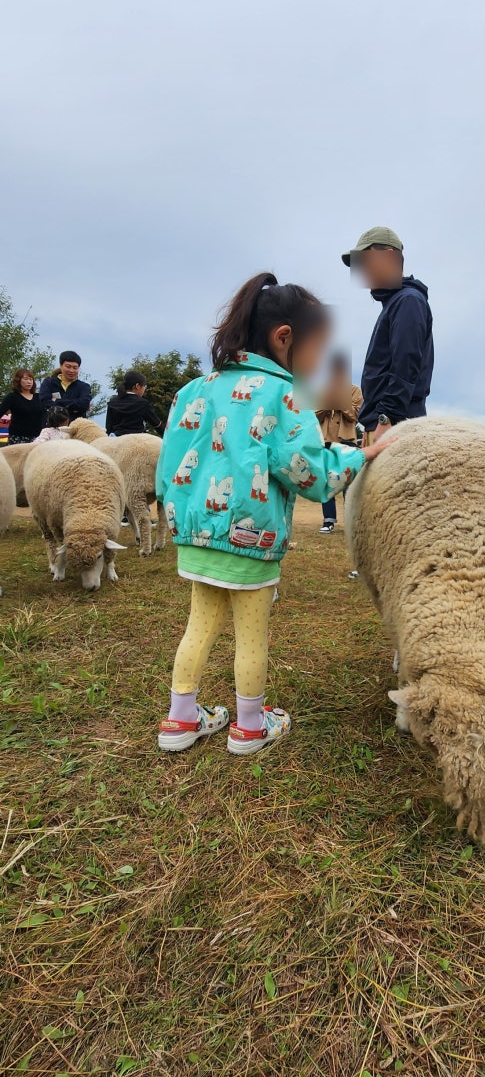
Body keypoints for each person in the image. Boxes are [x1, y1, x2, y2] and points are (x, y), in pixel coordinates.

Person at [155, 271, 394, 756]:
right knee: (251, 633)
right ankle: (249, 725)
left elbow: (167, 464)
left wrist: (179, 510)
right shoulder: (287, 397)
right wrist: (356, 457)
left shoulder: (195, 390)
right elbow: (309, 473)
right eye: (316, 349)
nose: (317, 363)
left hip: (196, 536)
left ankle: (180, 721)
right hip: (252, 540)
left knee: (198, 626)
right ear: (285, 338)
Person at [342, 226, 434, 442]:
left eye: (365, 260)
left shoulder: (408, 301)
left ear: (389, 256)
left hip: (396, 426)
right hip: (384, 423)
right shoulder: (396, 304)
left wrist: (386, 418)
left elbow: (405, 365)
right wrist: (371, 421)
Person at [315, 353, 363, 532]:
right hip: (325, 441)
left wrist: (341, 401)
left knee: (349, 483)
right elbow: (312, 414)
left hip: (347, 442)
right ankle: (328, 521)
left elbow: (356, 415)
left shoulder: (355, 391)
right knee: (326, 481)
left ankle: (351, 522)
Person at [106, 369, 164, 436]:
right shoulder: (143, 403)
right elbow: (157, 424)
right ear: (137, 386)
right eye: (144, 386)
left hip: (116, 438)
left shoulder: (113, 402)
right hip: (137, 438)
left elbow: (109, 427)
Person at [39, 351, 92, 420]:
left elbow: (84, 404)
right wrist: (74, 407)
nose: (71, 370)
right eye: (68, 366)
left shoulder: (84, 387)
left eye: (75, 368)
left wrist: (57, 401)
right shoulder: (48, 383)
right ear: (61, 366)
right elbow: (44, 403)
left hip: (75, 428)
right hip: (52, 427)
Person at [0, 368, 44, 443]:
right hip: (18, 438)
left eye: (31, 379)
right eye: (26, 379)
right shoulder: (12, 397)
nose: (29, 382)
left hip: (38, 439)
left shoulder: (39, 397)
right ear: (18, 380)